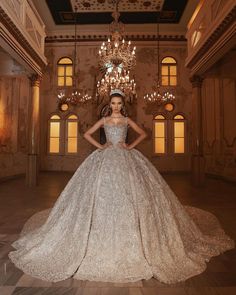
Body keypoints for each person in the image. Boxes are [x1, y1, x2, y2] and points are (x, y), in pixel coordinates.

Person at [8, 89, 234, 284]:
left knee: (133, 195)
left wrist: (129, 145)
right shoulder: (105, 121)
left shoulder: (126, 121)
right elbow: (86, 133)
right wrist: (102, 145)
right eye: (113, 103)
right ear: (110, 105)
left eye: (119, 104)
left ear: (122, 105)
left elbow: (145, 133)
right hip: (106, 157)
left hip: (126, 158)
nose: (116, 107)